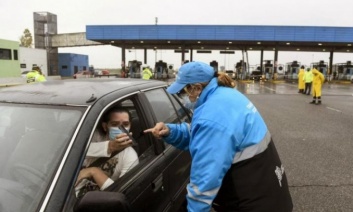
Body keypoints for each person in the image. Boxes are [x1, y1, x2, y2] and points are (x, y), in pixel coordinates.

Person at [144, 61, 293, 212]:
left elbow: (203, 184)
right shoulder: (224, 95)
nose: (181, 96)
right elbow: (203, 135)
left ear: (196, 88)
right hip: (268, 189)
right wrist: (170, 131)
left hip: (251, 201)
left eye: (182, 91)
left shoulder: (212, 117)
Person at [75, 107, 139, 195]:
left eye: (125, 124)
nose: (120, 129)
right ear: (105, 126)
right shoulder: (95, 137)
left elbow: (121, 193)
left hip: (100, 197)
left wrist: (94, 171)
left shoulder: (130, 155)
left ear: (130, 126)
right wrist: (110, 147)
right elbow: (76, 151)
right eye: (114, 124)